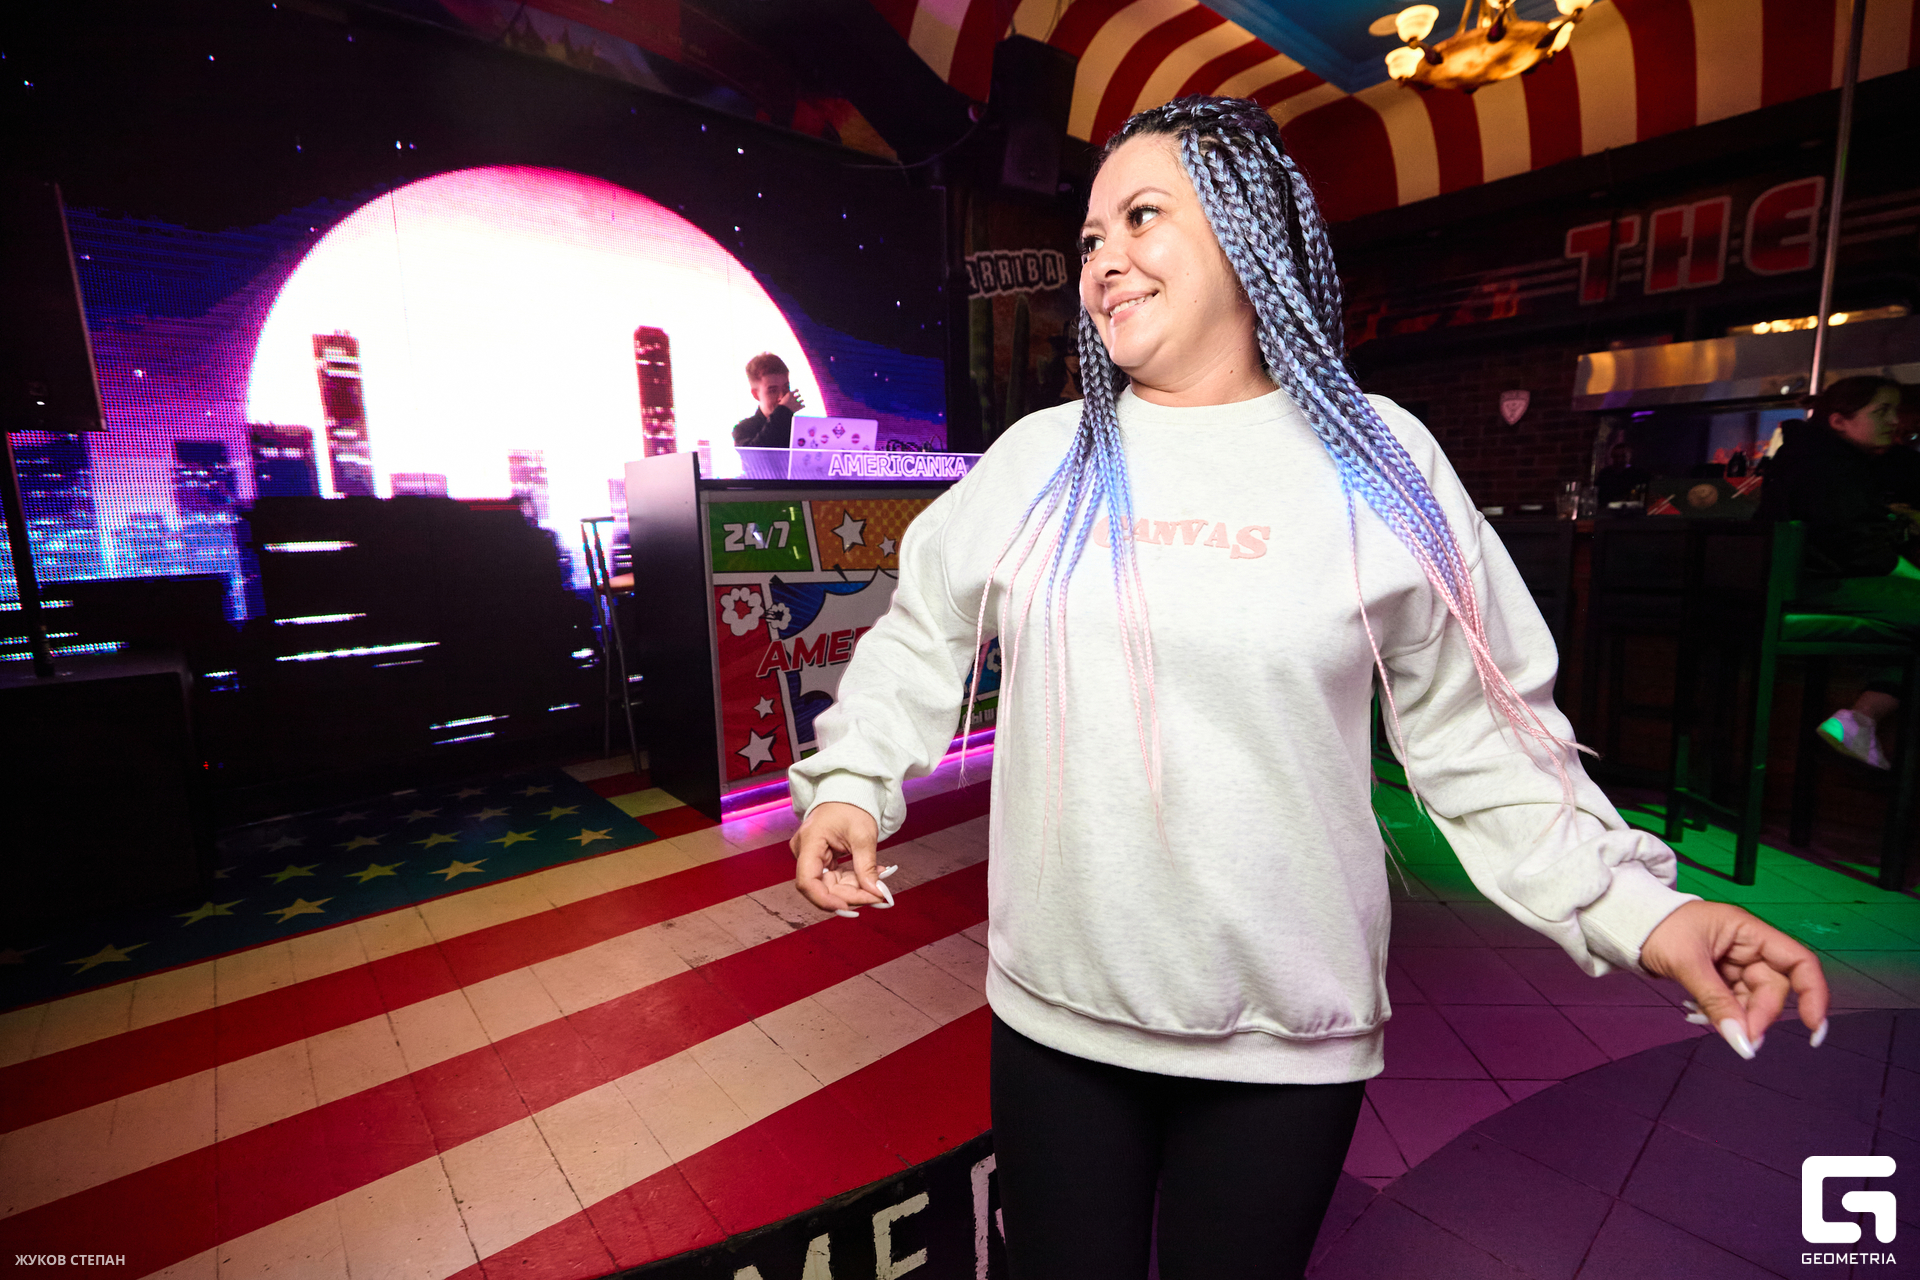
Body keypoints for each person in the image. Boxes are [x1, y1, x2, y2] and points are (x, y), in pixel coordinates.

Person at [787, 97, 1830, 1279]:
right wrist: (853, 780)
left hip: (1288, 1037)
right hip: (1059, 1013)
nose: (1104, 260)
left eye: (1142, 216)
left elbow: (1481, 733)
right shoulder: (1044, 457)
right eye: (1090, 238)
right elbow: (923, 632)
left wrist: (1644, 909)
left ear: (1249, 232)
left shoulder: (1377, 458)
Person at [1758, 375, 1920, 769]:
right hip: (1813, 588)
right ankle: (1862, 719)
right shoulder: (1827, 464)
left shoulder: (1821, 456)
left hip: (1802, 583)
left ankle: (1861, 719)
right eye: (1881, 411)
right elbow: (1860, 551)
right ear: (1839, 421)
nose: (1894, 420)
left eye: (1895, 411)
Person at [731, 352, 806, 448]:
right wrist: (783, 412)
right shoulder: (744, 429)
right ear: (755, 394)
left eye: (786, 388)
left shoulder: (800, 428)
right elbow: (757, 453)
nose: (782, 397)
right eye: (773, 391)